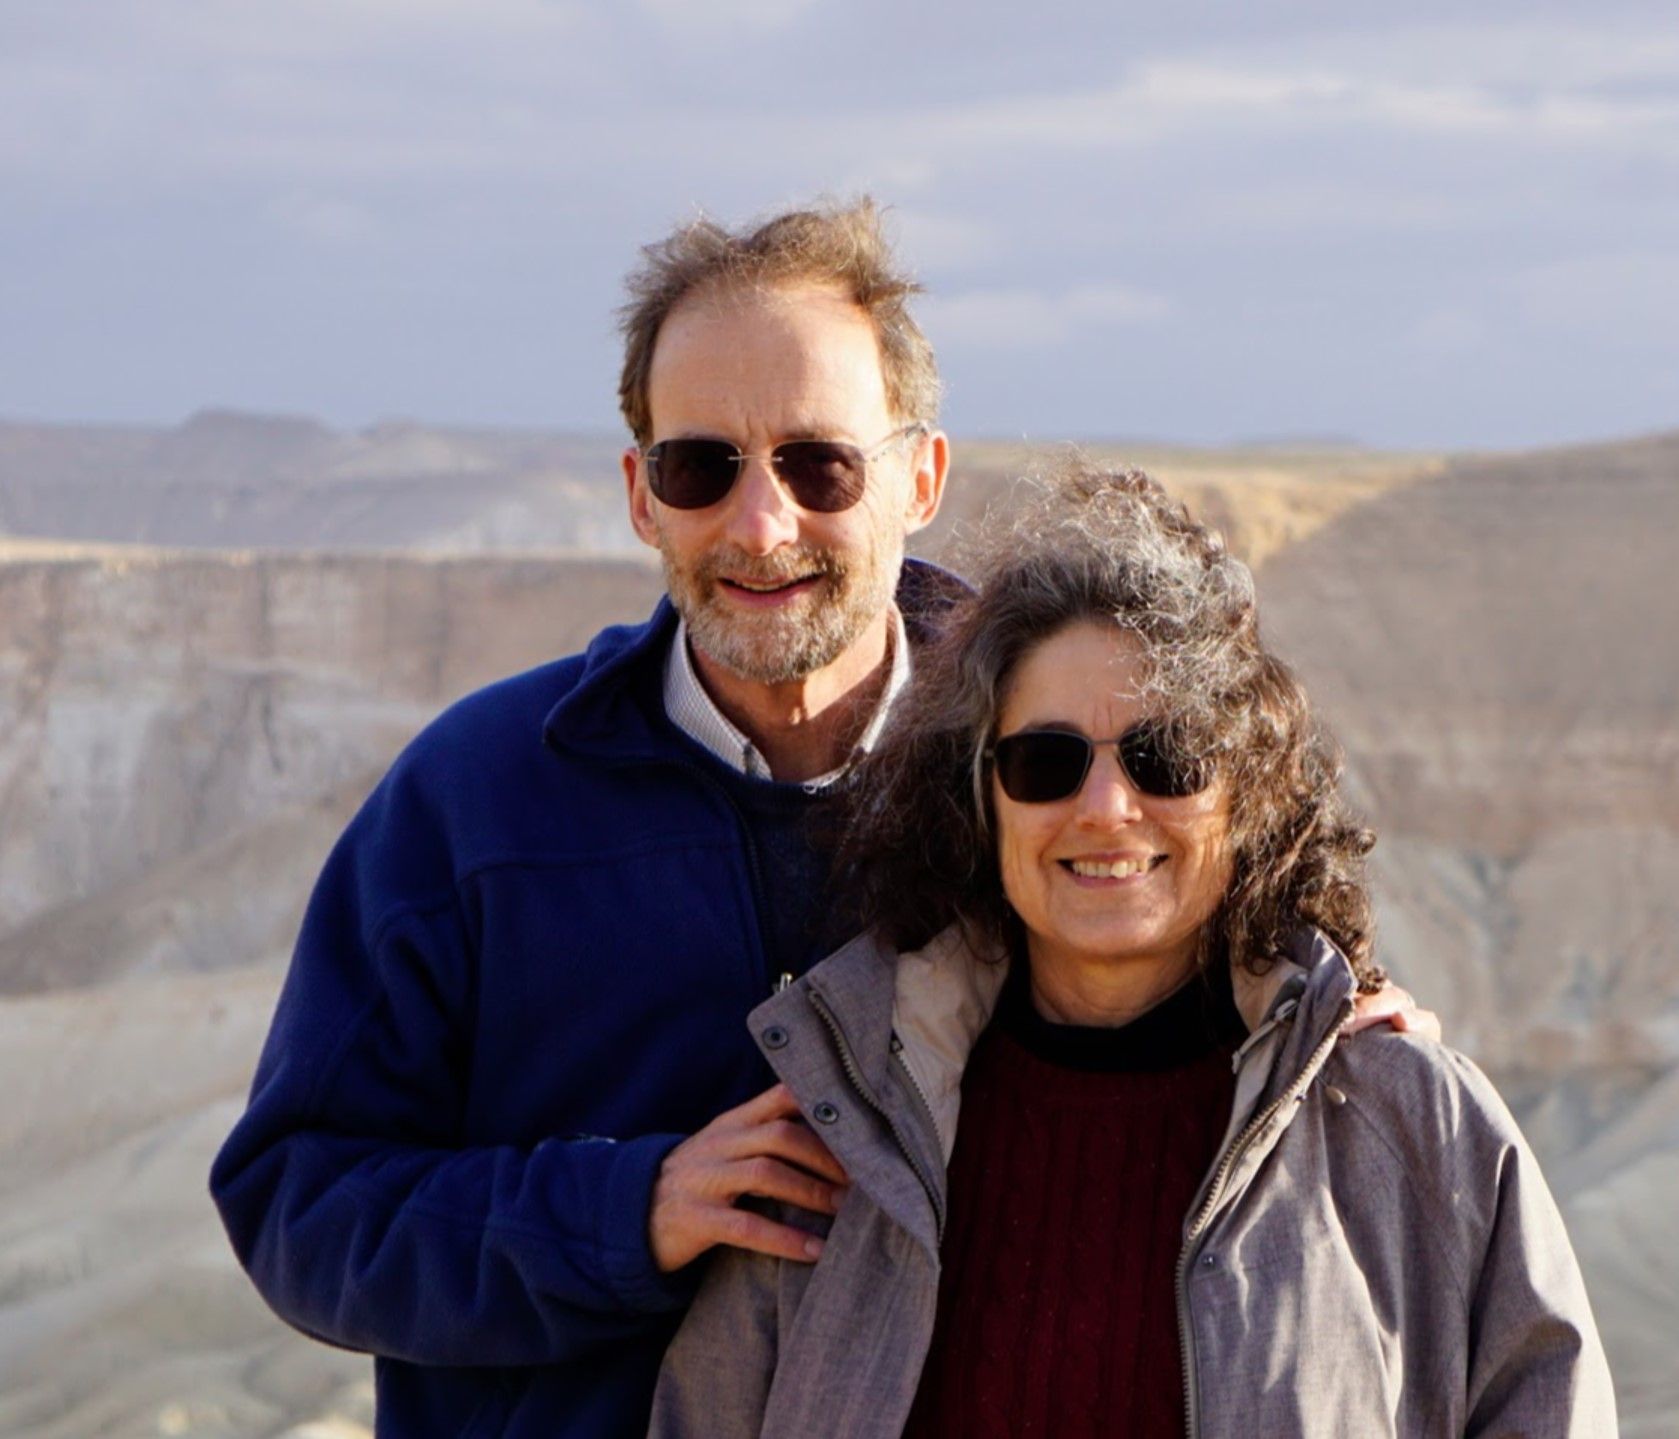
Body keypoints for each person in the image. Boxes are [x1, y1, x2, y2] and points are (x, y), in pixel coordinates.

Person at [209, 201, 1431, 1438]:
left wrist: (1331, 1016)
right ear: (641, 494)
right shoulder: (474, 802)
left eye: (816, 463)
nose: (759, 524)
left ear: (919, 478)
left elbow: (1210, 949)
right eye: (702, 466)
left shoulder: (1044, 771)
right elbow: (296, 1201)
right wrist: (624, 1209)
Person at [649, 467, 1615, 1438]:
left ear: (1245, 788)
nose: (1105, 808)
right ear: (978, 798)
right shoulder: (848, 1133)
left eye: (1165, 757)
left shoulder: (1413, 1127)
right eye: (1045, 761)